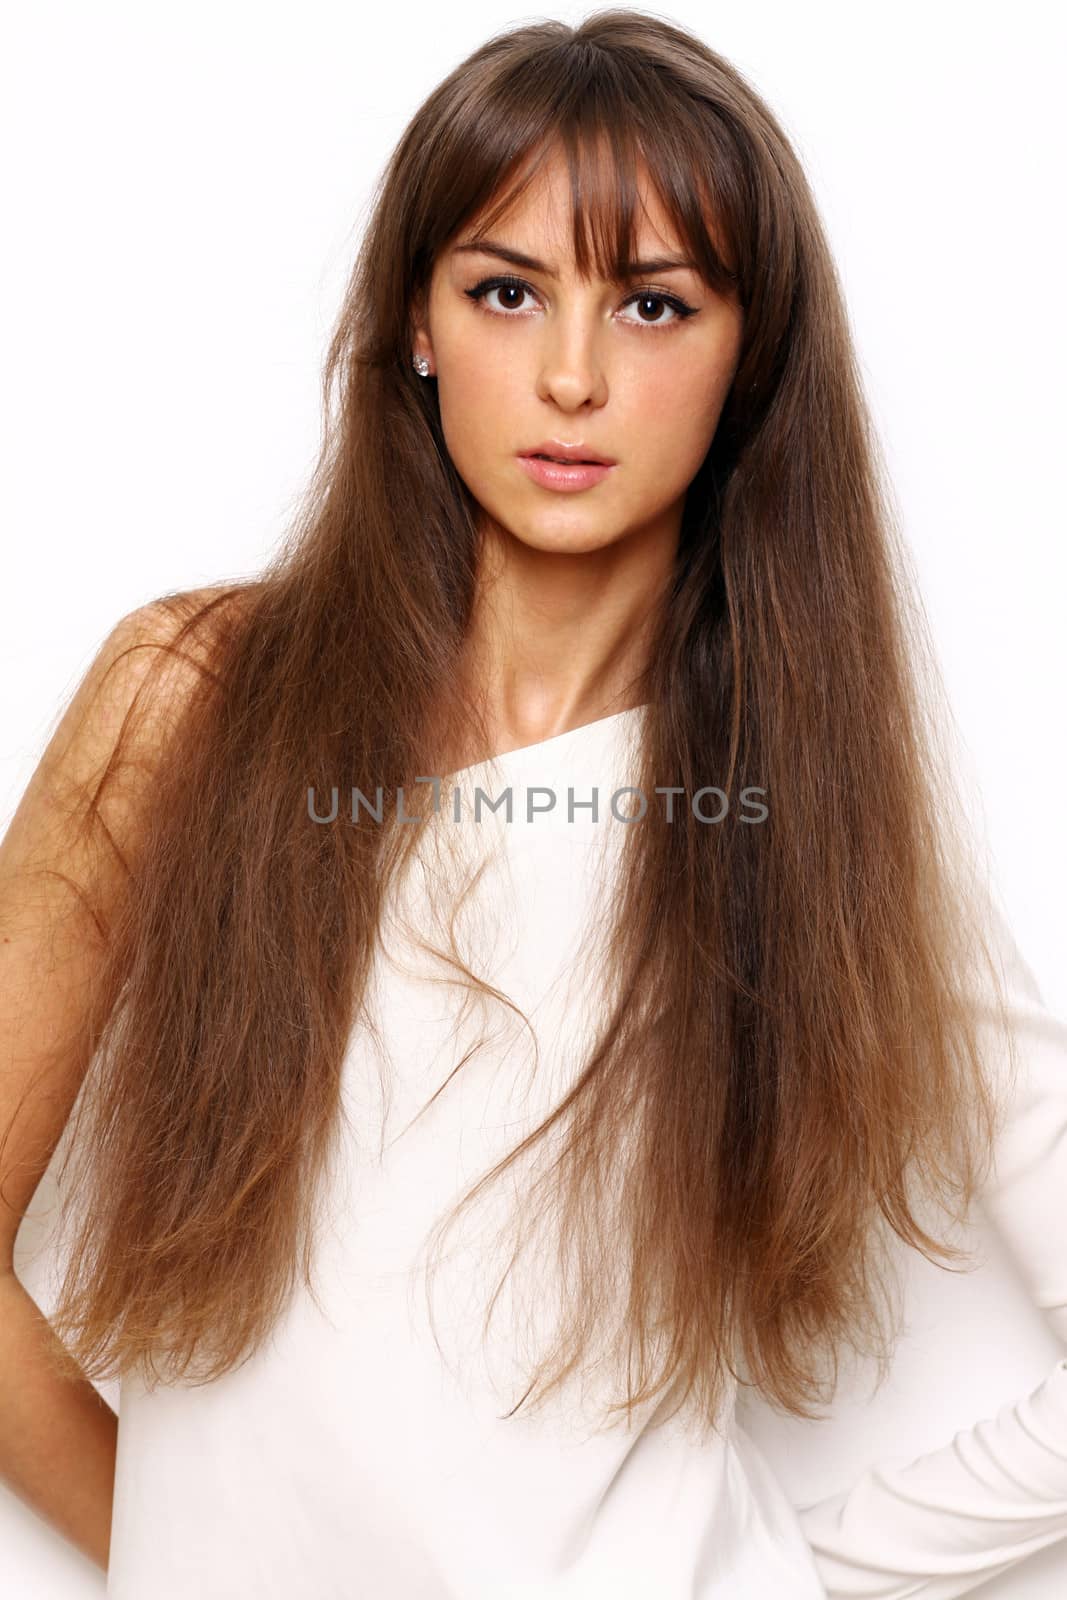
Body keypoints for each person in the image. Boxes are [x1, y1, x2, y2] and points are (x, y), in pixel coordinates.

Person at [1, 9, 1065, 1597]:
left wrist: (821, 1580)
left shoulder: (803, 810)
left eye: (652, 304)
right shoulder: (195, 694)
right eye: (508, 291)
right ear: (417, 324)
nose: (571, 376)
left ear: (747, 352)